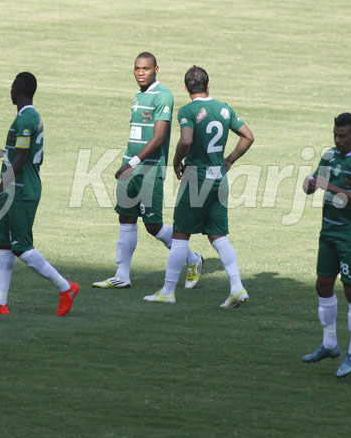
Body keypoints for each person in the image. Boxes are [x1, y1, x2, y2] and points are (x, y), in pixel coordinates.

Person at [144, 65, 254, 307]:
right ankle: (237, 287)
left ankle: (167, 291)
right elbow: (248, 136)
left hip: (196, 177)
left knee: (181, 235)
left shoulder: (188, 110)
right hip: (219, 179)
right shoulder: (225, 109)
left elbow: (186, 139)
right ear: (208, 85)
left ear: (186, 88)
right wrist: (230, 160)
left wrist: (175, 162)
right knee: (218, 235)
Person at [93, 52, 203, 290]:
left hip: (149, 169)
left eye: (145, 69)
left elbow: (159, 137)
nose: (140, 73)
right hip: (130, 167)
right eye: (137, 69)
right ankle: (122, 275)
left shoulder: (163, 96)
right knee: (126, 218)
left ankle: (193, 259)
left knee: (153, 226)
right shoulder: (138, 96)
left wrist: (131, 163)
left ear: (156, 70)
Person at [0, 72, 79, 316]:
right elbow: (24, 154)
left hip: (21, 190)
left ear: (18, 89)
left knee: (22, 247)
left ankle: (66, 287)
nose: (10, 90)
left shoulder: (26, 119)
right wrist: (0, 152)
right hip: (15, 188)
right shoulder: (28, 117)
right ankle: (0, 302)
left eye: (12, 86)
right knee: (5, 245)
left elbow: (20, 160)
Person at [301, 113, 351, 378]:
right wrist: (309, 184)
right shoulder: (330, 155)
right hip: (329, 232)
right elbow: (313, 184)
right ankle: (329, 343)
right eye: (335, 135)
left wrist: (327, 186)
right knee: (323, 285)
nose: (337, 140)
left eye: (342, 136)